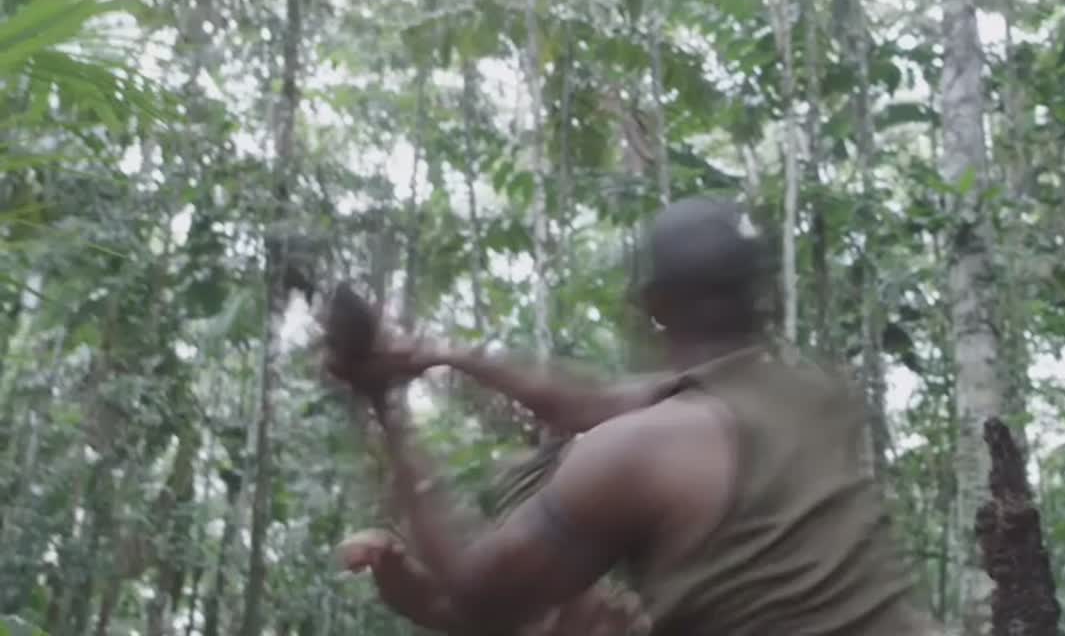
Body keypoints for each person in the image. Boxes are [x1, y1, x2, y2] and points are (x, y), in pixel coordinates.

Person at [327, 196, 939, 635]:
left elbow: (475, 596)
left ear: (653, 306)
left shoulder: (638, 454)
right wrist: (437, 355)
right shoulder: (819, 395)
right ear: (763, 296)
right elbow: (587, 404)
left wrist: (387, 408)